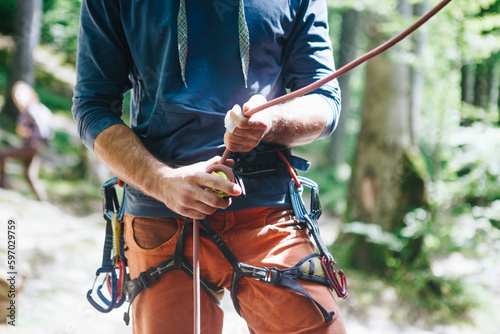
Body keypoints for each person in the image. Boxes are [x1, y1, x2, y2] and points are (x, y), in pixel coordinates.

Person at [73, 0, 345, 333]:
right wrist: (161, 181)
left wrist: (272, 121)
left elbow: (326, 101)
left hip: (267, 212)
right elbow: (92, 105)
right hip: (160, 213)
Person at [0, 81, 52, 201]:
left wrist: (29, 133)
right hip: (32, 146)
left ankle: (3, 187)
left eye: (21, 95)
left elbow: (42, 131)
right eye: (16, 95)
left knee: (2, 155)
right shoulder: (29, 110)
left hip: (32, 147)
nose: (18, 98)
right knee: (29, 175)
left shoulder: (33, 109)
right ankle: (43, 202)